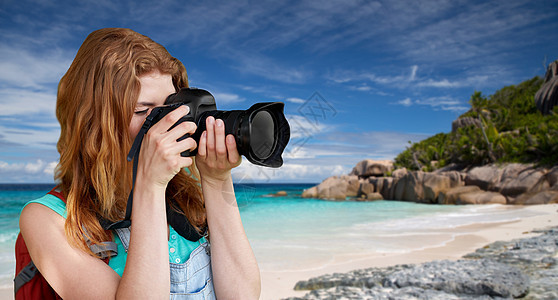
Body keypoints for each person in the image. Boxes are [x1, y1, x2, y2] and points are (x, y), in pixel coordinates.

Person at [18, 28, 261, 299]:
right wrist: (149, 186)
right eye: (143, 111)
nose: (165, 123)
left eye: (170, 107)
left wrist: (216, 181)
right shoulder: (48, 219)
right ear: (93, 123)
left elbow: (243, 295)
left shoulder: (185, 200)